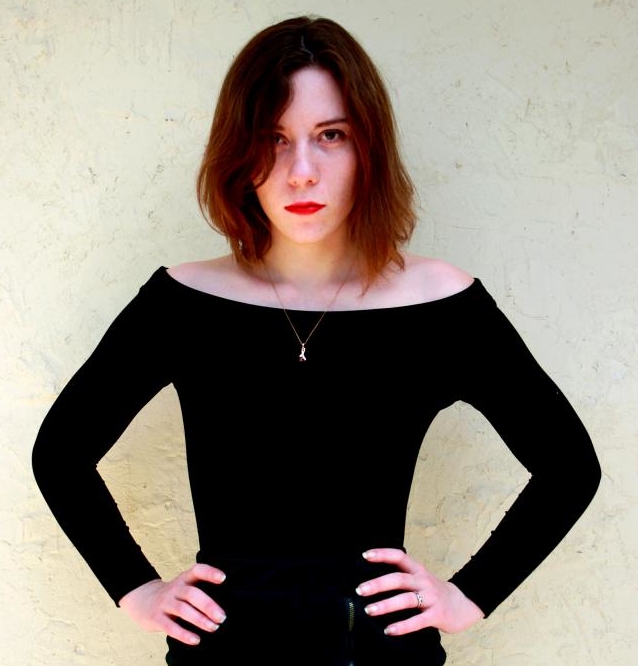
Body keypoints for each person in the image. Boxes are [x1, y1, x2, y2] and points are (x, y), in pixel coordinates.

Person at [31, 15, 601, 666]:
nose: (301, 171)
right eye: (273, 139)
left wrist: (469, 596)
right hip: (223, 660)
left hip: (381, 658)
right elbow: (61, 454)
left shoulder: (440, 305)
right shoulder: (182, 303)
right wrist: (136, 589)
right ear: (239, 154)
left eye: (331, 135)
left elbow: (569, 468)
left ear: (368, 148)